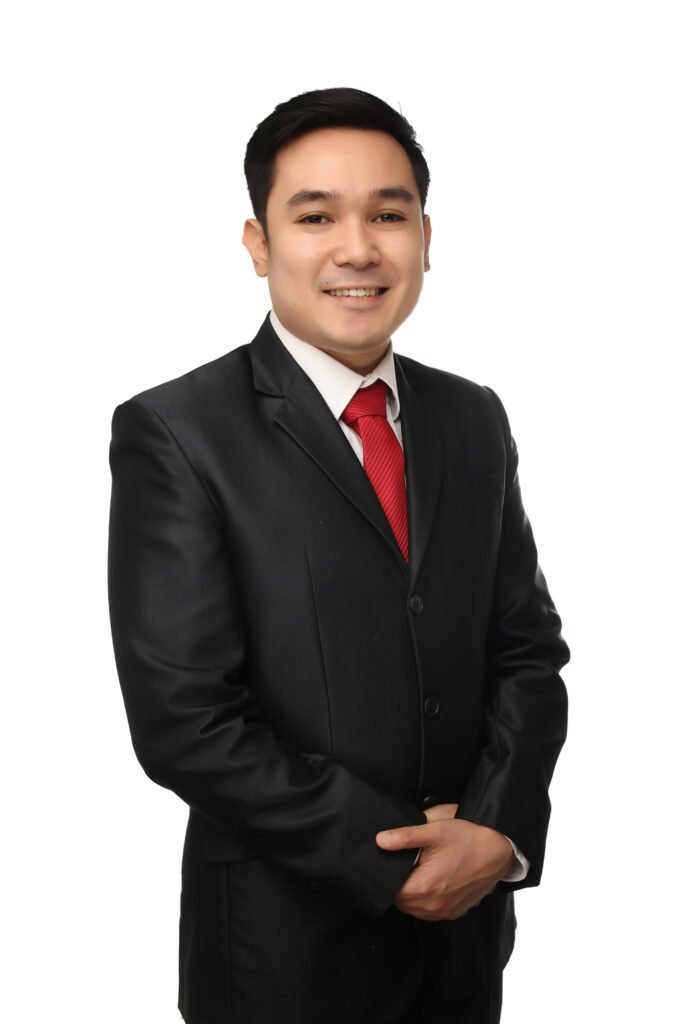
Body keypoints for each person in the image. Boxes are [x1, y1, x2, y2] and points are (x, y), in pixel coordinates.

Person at [107, 86, 569, 1024]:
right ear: (258, 243)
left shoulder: (471, 417)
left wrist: (497, 829)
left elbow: (525, 650)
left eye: (388, 216)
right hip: (281, 959)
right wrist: (388, 856)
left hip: (463, 949)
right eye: (314, 216)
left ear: (426, 239)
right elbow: (185, 719)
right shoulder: (178, 432)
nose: (357, 249)